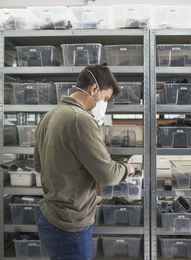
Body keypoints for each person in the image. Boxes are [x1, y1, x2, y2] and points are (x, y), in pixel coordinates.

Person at [34, 64, 135, 260]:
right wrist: (127, 168)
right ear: (94, 89)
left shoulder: (49, 116)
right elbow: (107, 174)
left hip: (49, 217)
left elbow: (39, 166)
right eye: (105, 98)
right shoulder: (81, 119)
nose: (104, 104)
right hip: (70, 223)